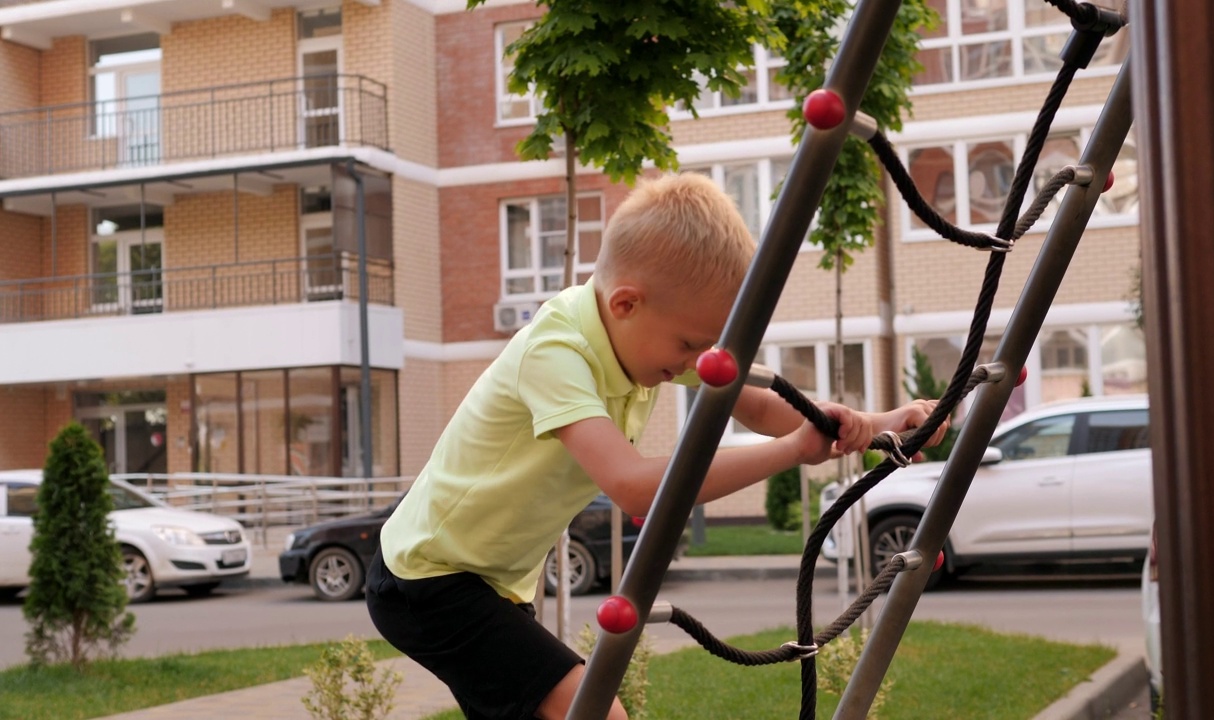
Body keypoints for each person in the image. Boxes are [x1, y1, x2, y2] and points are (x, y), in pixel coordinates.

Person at [366, 173, 948, 720]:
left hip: (493, 582)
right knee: (595, 710)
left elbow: (765, 404)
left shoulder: (649, 333)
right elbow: (634, 486)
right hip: (428, 577)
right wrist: (794, 451)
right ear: (625, 303)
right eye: (692, 345)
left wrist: (882, 424)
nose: (701, 364)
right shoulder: (556, 351)